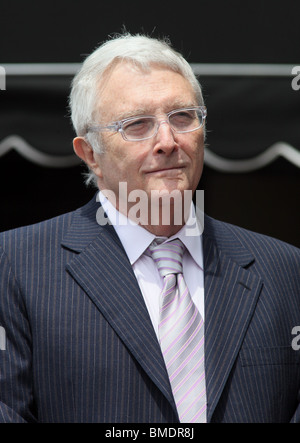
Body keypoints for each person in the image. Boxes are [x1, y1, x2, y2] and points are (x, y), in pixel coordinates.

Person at [0, 33, 299, 424]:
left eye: (182, 116)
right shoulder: (18, 264)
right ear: (90, 153)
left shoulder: (284, 269)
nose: (168, 141)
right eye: (137, 124)